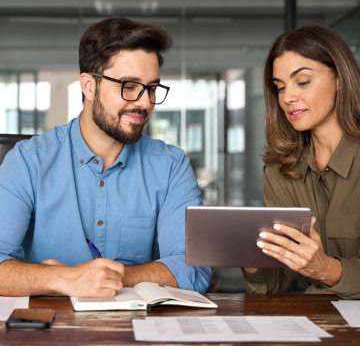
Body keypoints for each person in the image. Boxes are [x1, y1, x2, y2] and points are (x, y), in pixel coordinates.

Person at [0, 17, 211, 297]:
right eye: (129, 86)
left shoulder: (171, 166)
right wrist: (65, 279)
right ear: (89, 86)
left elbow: (194, 268)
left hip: (139, 332)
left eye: (152, 88)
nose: (145, 102)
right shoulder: (27, 162)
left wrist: (110, 278)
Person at [243, 24, 360, 299]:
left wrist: (324, 268)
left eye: (302, 82)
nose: (288, 97)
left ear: (340, 79)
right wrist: (250, 258)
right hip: (318, 312)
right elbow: (275, 279)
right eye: (280, 87)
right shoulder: (281, 170)